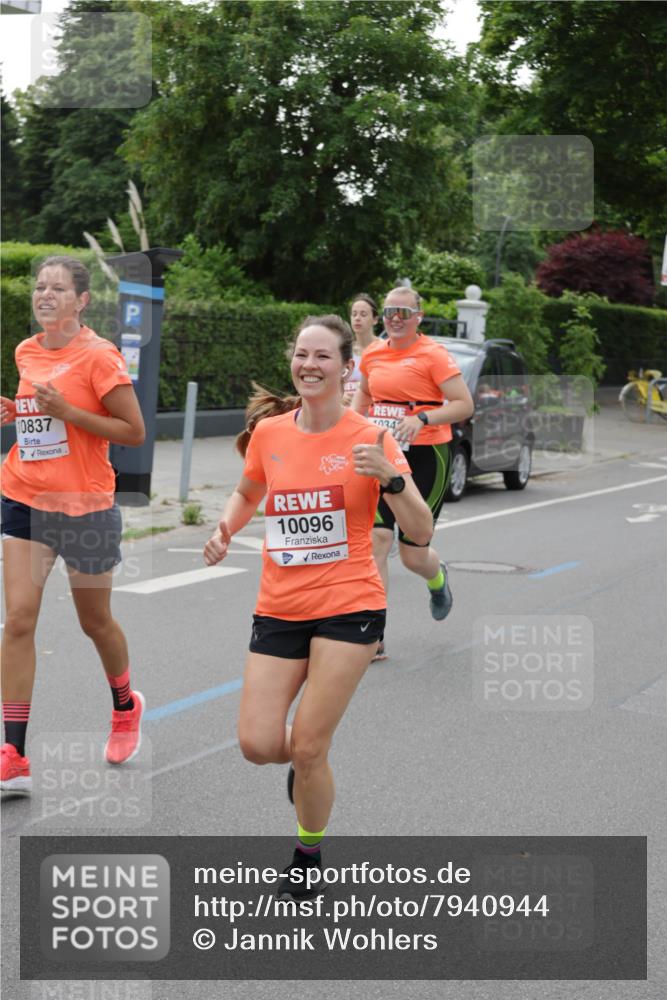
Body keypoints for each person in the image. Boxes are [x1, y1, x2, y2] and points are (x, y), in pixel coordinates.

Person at [203, 314, 432, 900]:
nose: (310, 365)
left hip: (349, 604)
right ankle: (307, 771)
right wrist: (227, 528)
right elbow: (250, 488)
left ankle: (308, 849)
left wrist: (394, 482)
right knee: (258, 743)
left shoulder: (370, 439)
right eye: (302, 354)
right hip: (280, 604)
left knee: (308, 743)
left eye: (323, 356)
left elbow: (421, 530)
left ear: (346, 367)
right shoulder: (271, 434)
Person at [0, 256, 146, 796]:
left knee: (95, 622)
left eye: (58, 288)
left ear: (81, 301)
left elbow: (132, 431)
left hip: (84, 506)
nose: (45, 294)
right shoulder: (26, 350)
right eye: (40, 286)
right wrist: (19, 414)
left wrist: (67, 411)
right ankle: (13, 753)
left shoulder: (100, 357)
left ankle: (125, 704)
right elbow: (42, 414)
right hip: (24, 496)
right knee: (17, 619)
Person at [352, 286, 474, 660]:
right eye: (389, 311)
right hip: (384, 453)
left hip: (427, 455)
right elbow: (363, 401)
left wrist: (422, 417)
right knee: (376, 540)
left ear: (418, 317)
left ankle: (437, 580)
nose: (395, 318)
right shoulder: (373, 354)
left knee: (412, 554)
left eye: (404, 312)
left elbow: (463, 405)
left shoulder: (433, 355)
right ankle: (374, 635)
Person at [343, 294, 380, 404]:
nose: (357, 318)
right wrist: (340, 395)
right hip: (347, 410)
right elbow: (332, 381)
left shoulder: (386, 349)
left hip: (374, 412)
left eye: (363, 314)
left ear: (375, 320)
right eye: (354, 314)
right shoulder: (344, 349)